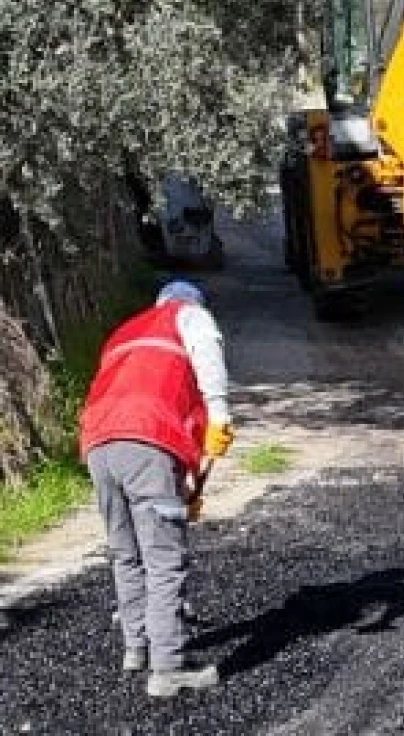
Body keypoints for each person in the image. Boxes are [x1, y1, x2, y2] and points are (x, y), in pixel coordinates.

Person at [78, 279, 234, 697]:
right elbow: (206, 364)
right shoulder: (190, 315)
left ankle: (137, 648)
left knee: (125, 551)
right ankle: (167, 670)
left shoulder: (128, 330)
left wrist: (184, 492)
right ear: (190, 302)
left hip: (98, 445)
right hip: (146, 437)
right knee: (163, 556)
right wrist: (220, 413)